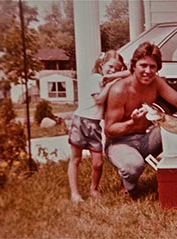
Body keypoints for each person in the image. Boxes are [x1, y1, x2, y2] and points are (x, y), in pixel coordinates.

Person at [104, 41, 177, 199]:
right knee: (133, 166)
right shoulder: (119, 90)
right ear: (133, 66)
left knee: (174, 124)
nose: (148, 71)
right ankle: (128, 185)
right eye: (143, 65)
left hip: (144, 138)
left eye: (153, 67)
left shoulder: (155, 82)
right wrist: (132, 122)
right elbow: (109, 130)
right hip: (119, 143)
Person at [68, 50, 129, 203]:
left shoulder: (108, 81)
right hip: (81, 121)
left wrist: (114, 78)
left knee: (98, 163)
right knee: (76, 159)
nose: (113, 71)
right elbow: (99, 100)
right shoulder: (95, 79)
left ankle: (93, 188)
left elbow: (131, 72)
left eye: (117, 69)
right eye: (110, 67)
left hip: (94, 125)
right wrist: (111, 83)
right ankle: (75, 193)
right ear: (101, 65)